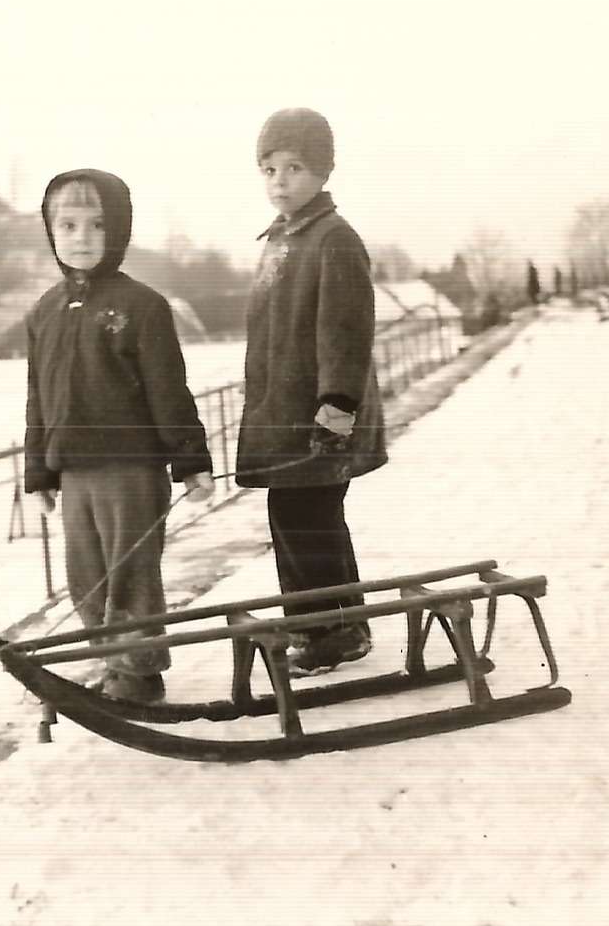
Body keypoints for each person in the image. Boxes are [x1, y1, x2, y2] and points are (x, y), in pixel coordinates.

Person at [24, 169, 214, 704]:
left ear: (119, 230)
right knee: (85, 576)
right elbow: (38, 398)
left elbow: (168, 391)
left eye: (96, 224)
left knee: (130, 576)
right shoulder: (44, 312)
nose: (81, 237)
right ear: (51, 231)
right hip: (75, 472)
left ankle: (138, 675)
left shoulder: (141, 305)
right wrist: (38, 470)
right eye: (67, 225)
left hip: (131, 470)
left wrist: (191, 461)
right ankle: (110, 660)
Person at [235, 108, 387, 676]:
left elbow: (345, 333)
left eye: (294, 168)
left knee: (310, 520)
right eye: (269, 169)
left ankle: (333, 631)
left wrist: (337, 411)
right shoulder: (280, 240)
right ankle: (326, 623)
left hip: (320, 423)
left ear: (322, 171)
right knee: (296, 518)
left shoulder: (333, 240)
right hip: (283, 420)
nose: (280, 181)